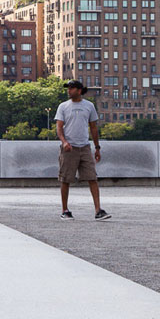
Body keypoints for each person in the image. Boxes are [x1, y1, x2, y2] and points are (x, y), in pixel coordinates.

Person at [55, 80, 110, 221]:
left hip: (85, 147)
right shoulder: (63, 106)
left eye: (71, 88)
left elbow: (93, 128)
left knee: (92, 178)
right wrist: (64, 142)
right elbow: (59, 128)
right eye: (68, 88)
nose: (69, 91)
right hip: (69, 148)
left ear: (79, 90)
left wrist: (97, 147)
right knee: (66, 179)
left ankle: (98, 210)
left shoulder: (89, 106)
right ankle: (65, 210)